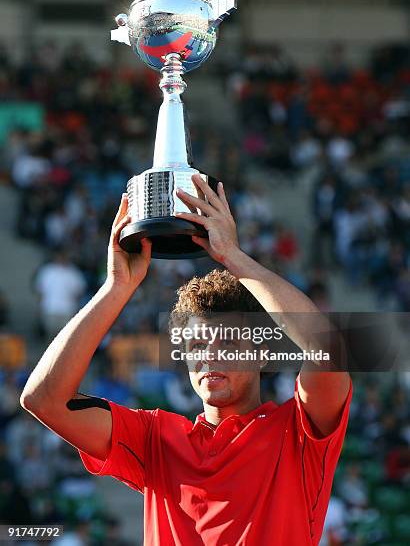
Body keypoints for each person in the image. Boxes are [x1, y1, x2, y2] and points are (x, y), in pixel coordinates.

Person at [21, 175, 352, 545]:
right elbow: (42, 399)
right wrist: (117, 287)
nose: (209, 355)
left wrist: (235, 258)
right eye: (196, 345)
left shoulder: (298, 431)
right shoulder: (155, 439)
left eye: (226, 341)